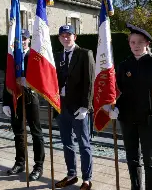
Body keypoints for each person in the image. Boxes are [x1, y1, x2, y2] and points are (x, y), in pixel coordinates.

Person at [104, 24, 152, 190]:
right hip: (127, 118)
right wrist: (113, 107)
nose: (135, 46)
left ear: (147, 44)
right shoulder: (124, 65)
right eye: (132, 42)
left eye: (139, 42)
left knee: (150, 160)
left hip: (149, 117)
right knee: (132, 158)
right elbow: (117, 90)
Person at [54, 25, 94, 190]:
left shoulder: (85, 54)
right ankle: (71, 174)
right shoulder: (57, 56)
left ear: (75, 37)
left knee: (84, 144)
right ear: (59, 39)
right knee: (66, 143)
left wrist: (86, 106)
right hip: (61, 106)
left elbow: (90, 82)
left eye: (68, 35)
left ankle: (87, 179)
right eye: (62, 36)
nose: (66, 38)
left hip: (79, 107)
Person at [2, 29, 45, 181]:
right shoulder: (12, 57)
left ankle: (38, 166)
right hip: (15, 98)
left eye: (25, 38)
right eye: (20, 39)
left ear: (29, 40)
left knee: (36, 133)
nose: (23, 41)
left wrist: (28, 82)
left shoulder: (34, 56)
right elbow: (7, 80)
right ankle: (20, 162)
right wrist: (5, 102)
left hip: (30, 98)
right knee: (18, 132)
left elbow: (42, 78)